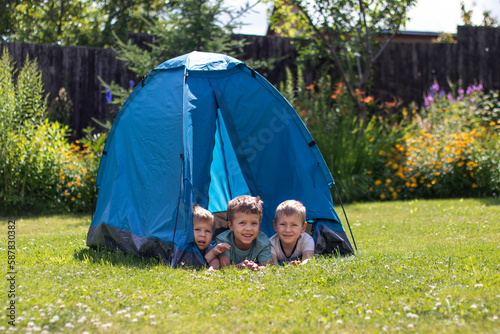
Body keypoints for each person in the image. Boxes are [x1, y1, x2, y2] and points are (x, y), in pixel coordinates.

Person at [216, 195, 272, 269]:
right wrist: (238, 267)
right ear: (231, 226)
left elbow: (267, 267)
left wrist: (257, 268)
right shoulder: (224, 241)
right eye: (242, 223)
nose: (248, 229)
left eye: (254, 223)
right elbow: (224, 267)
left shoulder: (263, 241)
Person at [270, 200, 315, 265]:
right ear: (275, 226)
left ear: (303, 227)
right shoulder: (271, 244)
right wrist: (287, 268)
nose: (288, 230)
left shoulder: (307, 240)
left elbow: (308, 260)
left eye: (294, 225)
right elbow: (273, 266)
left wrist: (301, 266)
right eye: (283, 224)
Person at [192, 205, 230, 269]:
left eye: (207, 231)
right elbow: (194, 264)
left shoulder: (209, 247)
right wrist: (212, 253)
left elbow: (215, 262)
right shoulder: (187, 247)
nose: (203, 235)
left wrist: (211, 269)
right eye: (197, 229)